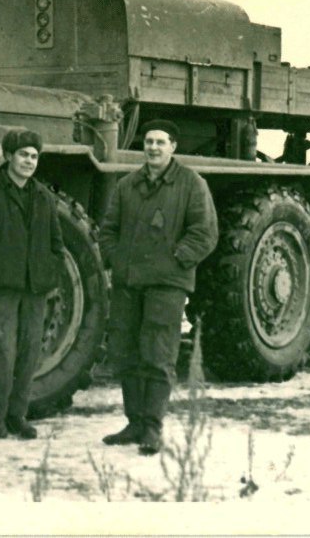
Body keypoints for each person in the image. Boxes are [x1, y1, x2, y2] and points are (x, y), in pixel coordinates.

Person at [98, 119, 218, 454]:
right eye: (148, 142)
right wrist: (117, 261)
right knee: (126, 353)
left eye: (160, 142)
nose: (153, 148)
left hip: (166, 285)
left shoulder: (191, 184)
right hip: (129, 283)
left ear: (173, 147)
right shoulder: (127, 185)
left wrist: (176, 260)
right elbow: (108, 230)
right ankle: (134, 422)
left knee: (158, 354)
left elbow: (205, 232)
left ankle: (152, 426)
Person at [0, 128, 65, 440]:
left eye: (34, 156)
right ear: (8, 156)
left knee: (30, 352)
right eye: (23, 155)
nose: (29, 161)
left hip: (35, 289)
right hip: (0, 287)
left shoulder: (44, 197)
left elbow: (57, 245)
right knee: (3, 352)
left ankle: (18, 416)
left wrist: (50, 277)